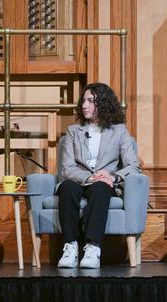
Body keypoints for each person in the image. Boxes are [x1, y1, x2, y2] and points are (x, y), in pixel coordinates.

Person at [57, 83, 141, 269]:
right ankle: (70, 247)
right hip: (79, 180)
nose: (84, 105)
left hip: (104, 182)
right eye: (84, 101)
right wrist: (88, 177)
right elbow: (68, 168)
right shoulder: (73, 131)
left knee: (101, 187)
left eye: (91, 101)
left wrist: (113, 177)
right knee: (67, 186)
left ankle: (92, 248)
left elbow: (133, 166)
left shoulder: (119, 131)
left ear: (103, 104)